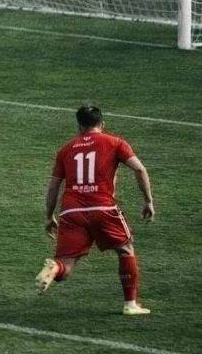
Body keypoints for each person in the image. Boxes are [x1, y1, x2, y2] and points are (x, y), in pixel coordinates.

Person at [35, 105, 156, 316]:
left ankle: (55, 268)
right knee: (125, 250)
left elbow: (53, 186)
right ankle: (130, 305)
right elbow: (139, 169)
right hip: (103, 208)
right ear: (102, 124)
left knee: (65, 266)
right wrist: (148, 201)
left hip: (71, 213)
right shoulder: (115, 142)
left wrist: (49, 216)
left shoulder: (65, 149)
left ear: (79, 126)